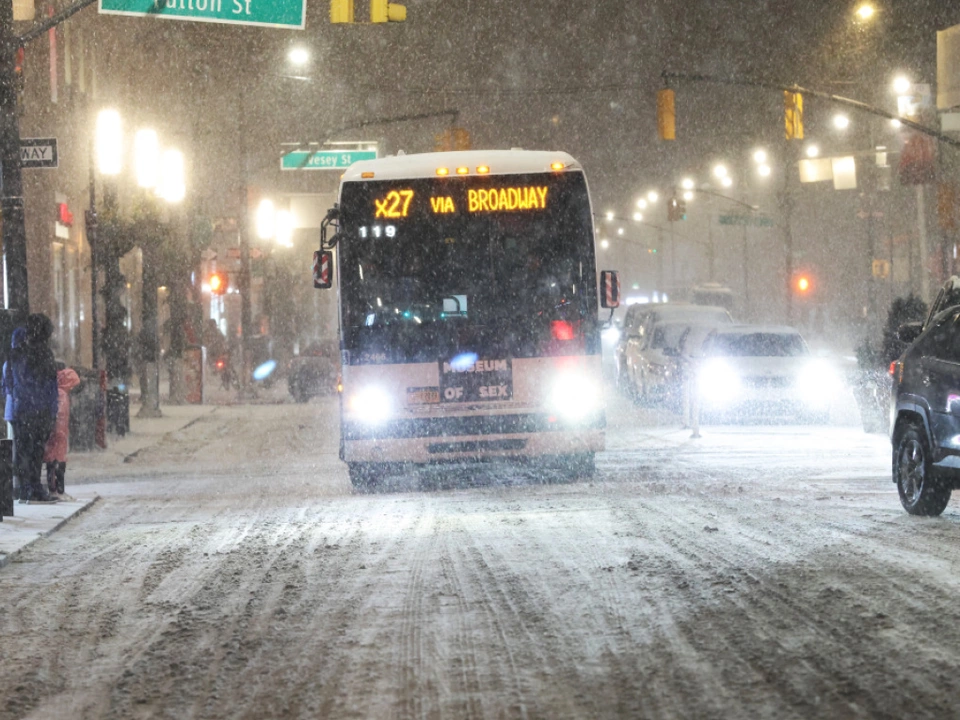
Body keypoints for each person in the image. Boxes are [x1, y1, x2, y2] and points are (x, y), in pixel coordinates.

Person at [3, 314, 59, 503]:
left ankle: (26, 487)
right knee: (35, 451)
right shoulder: (43, 354)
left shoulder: (17, 355)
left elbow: (9, 382)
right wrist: (51, 408)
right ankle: (33, 487)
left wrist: (16, 396)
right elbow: (50, 384)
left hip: (23, 409)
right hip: (39, 409)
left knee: (24, 450)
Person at [43, 362, 81, 499]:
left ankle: (53, 489)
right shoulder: (63, 394)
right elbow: (75, 379)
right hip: (61, 433)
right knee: (59, 459)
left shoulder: (51, 389)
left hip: (52, 432)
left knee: (50, 459)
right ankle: (59, 490)